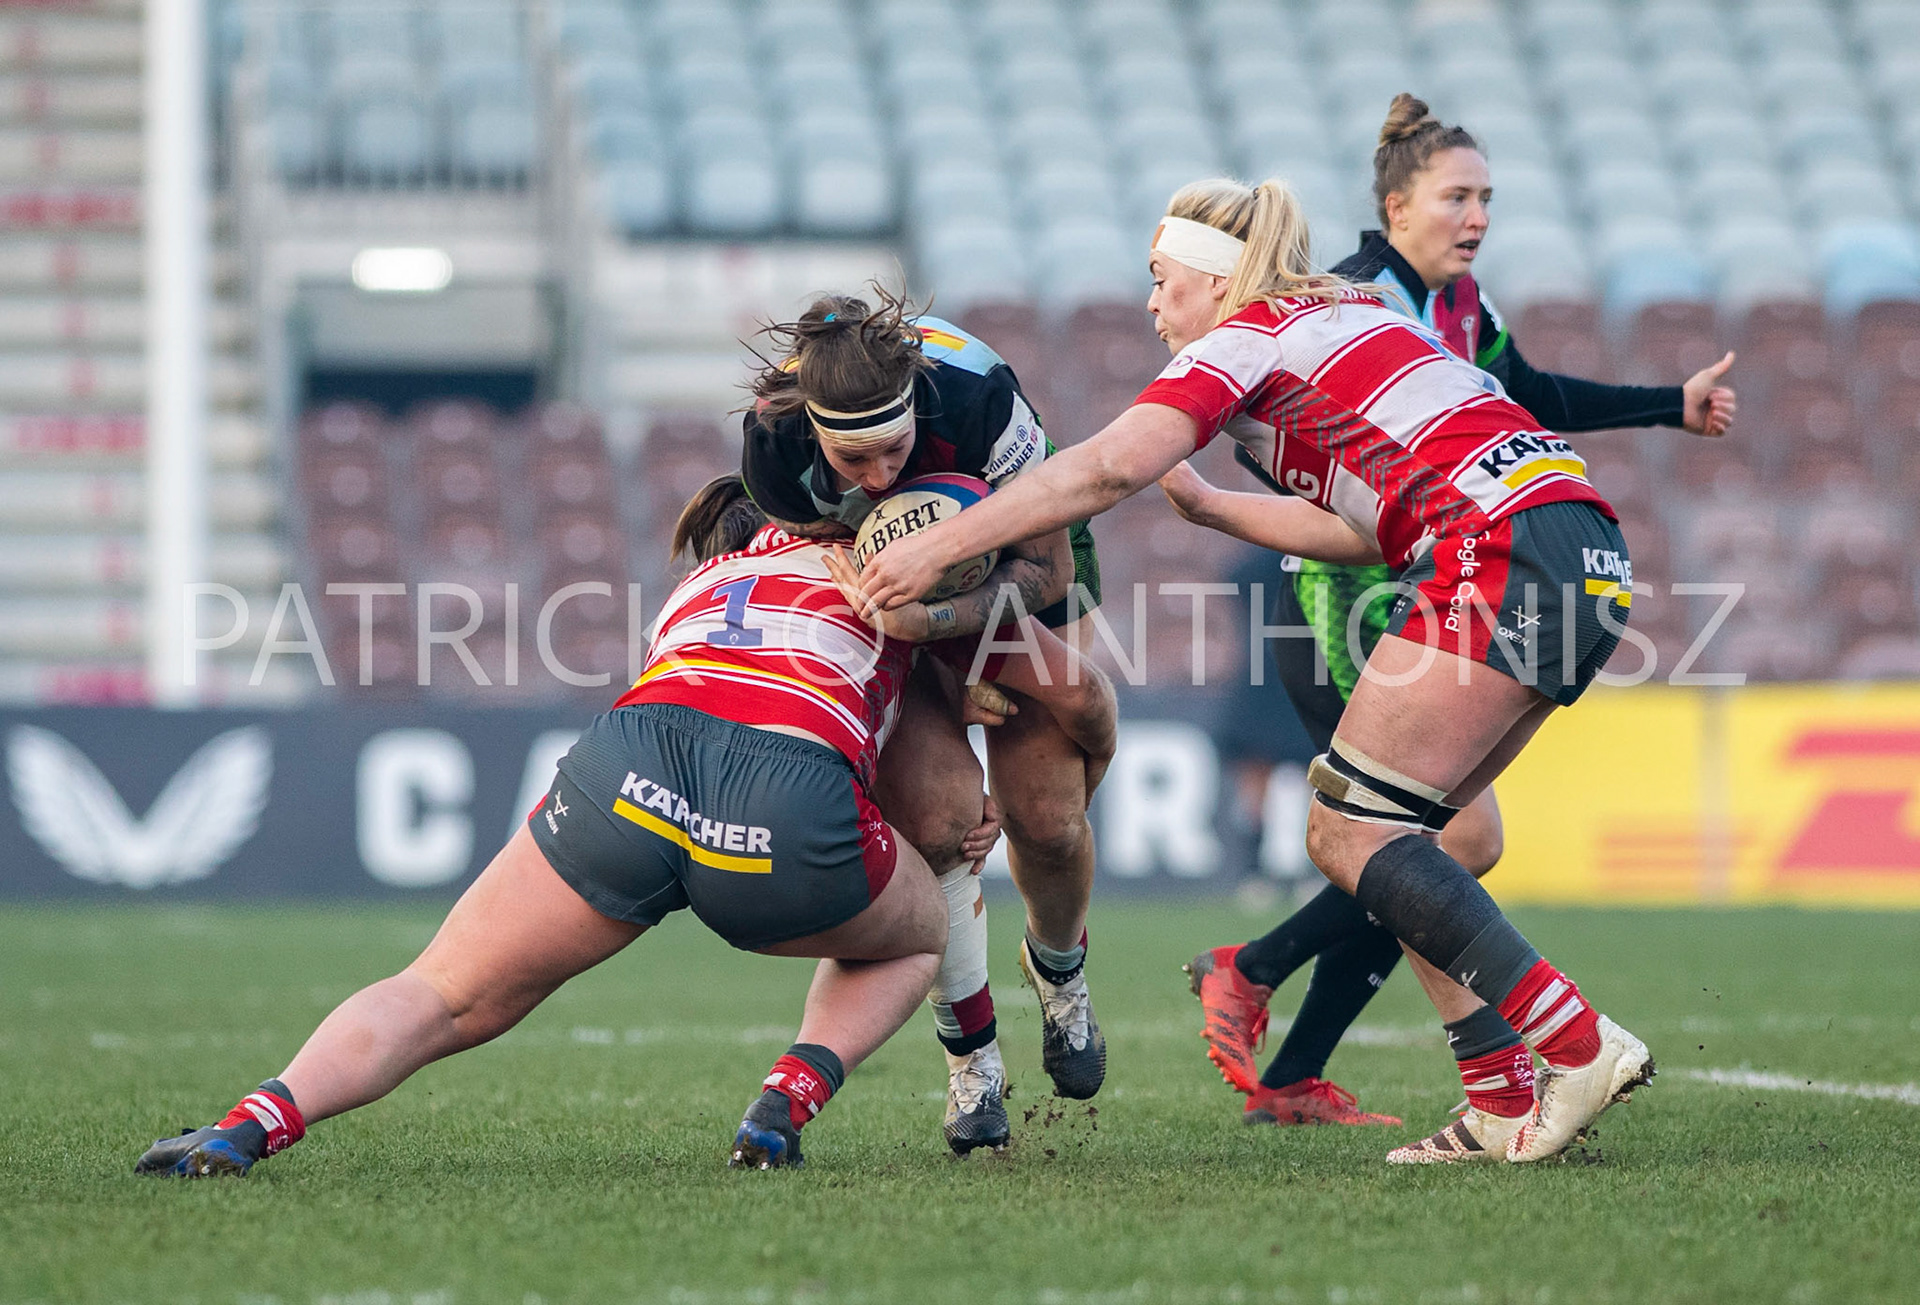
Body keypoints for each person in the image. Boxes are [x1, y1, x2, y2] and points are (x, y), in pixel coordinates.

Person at [852, 176, 1659, 1165]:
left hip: (1498, 550)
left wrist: (938, 549)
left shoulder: (1243, 340)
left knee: (1346, 826)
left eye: (1161, 279)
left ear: (1216, 276)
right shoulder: (1352, 312)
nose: (1153, 304)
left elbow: (1100, 469)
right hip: (1579, 539)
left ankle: (1574, 1042)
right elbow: (1365, 530)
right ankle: (1498, 1098)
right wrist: (1217, 510)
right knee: (1410, 840)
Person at [1172, 94, 1736, 1135]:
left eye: (1488, 198)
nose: (1476, 216)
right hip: (1347, 600)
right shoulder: (1346, 298)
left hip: (1445, 578)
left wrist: (1671, 404)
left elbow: (1527, 395)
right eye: (1456, 196)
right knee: (1433, 836)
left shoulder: (1464, 307)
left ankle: (1281, 1028)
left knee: (1425, 842)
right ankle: (1274, 988)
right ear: (1395, 204)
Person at [135, 477, 953, 1178]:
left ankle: (252, 1121)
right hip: (780, 800)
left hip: (631, 763)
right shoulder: (884, 566)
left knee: (441, 991)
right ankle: (783, 1102)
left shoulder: (704, 583)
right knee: (919, 935)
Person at [740, 288, 1116, 1134]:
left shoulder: (981, 396)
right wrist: (926, 664)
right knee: (942, 818)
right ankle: (971, 1062)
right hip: (879, 603)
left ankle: (1060, 971)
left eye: (896, 451)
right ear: (814, 430)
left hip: (1011, 564)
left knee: (1047, 816)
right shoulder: (773, 442)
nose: (878, 479)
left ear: (919, 407)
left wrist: (937, 618)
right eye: (854, 463)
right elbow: (846, 599)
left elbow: (1046, 572)